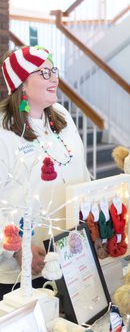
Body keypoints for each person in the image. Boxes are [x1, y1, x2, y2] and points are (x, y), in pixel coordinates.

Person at [0, 46, 90, 298]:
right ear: (22, 85)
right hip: (23, 271)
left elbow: (80, 174)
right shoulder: (3, 133)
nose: (54, 78)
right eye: (44, 72)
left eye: (54, 70)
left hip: (70, 254)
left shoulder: (62, 116)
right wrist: (16, 249)